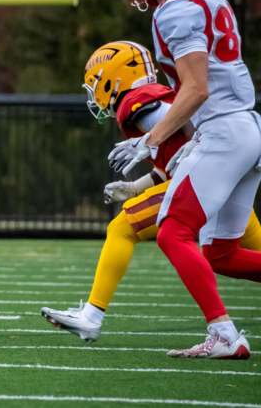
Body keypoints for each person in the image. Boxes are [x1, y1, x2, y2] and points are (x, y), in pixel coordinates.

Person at [40, 41, 261, 342]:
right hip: (223, 173)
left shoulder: (136, 102)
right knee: (230, 255)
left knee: (122, 228)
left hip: (210, 170)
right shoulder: (152, 99)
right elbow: (168, 166)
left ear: (112, 77)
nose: (94, 93)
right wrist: (133, 187)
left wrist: (198, 143)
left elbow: (187, 122)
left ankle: (92, 315)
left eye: (95, 83)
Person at [109, 0, 261, 359]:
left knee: (174, 232)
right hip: (243, 127)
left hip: (226, 131)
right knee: (221, 253)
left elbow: (196, 88)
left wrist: (150, 140)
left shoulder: (175, 9)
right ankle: (223, 333)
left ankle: (225, 334)